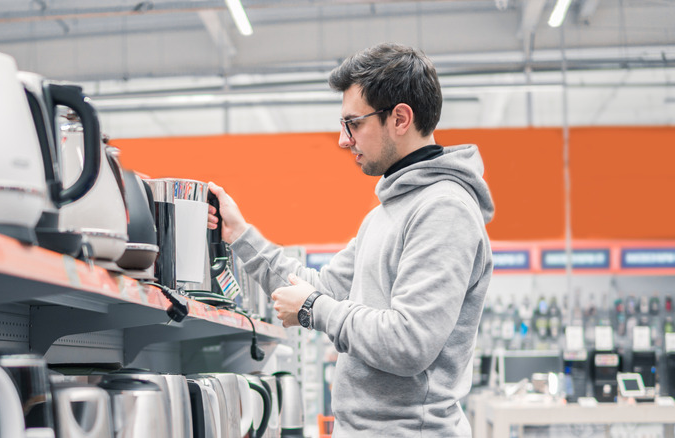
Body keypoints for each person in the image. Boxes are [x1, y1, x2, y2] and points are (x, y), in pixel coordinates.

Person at [207, 42, 494, 437]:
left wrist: (313, 309)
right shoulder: (383, 215)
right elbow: (321, 288)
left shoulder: (444, 210)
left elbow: (409, 342)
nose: (344, 140)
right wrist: (239, 235)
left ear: (400, 118)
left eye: (353, 123)